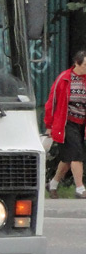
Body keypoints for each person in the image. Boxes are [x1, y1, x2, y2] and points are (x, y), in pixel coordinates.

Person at [44, 50, 86, 198]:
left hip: (81, 123)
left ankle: (53, 184)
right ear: (77, 63)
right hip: (66, 123)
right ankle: (80, 189)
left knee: (67, 159)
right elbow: (51, 102)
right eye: (85, 65)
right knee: (76, 155)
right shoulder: (64, 79)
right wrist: (49, 125)